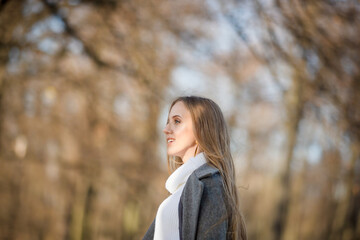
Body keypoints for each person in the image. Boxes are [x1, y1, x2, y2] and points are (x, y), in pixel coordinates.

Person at [143, 96, 247, 240]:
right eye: (168, 122)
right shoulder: (183, 187)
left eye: (177, 121)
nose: (166, 129)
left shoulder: (209, 184)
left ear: (201, 130)